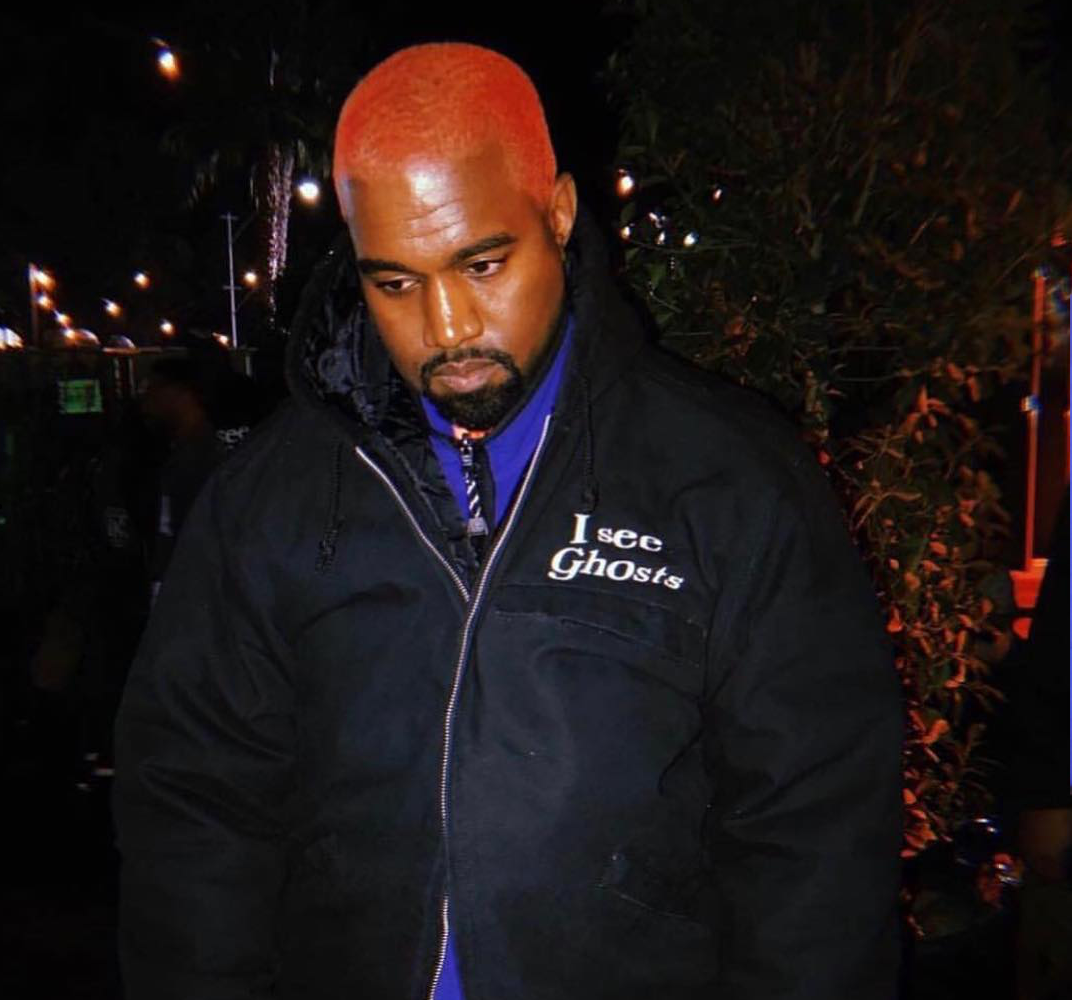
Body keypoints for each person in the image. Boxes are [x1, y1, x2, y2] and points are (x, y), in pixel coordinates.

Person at [114, 42, 903, 1000]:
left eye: (483, 263)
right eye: (394, 283)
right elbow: (197, 807)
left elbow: (815, 833)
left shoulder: (731, 480)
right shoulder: (269, 500)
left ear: (558, 214)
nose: (447, 326)